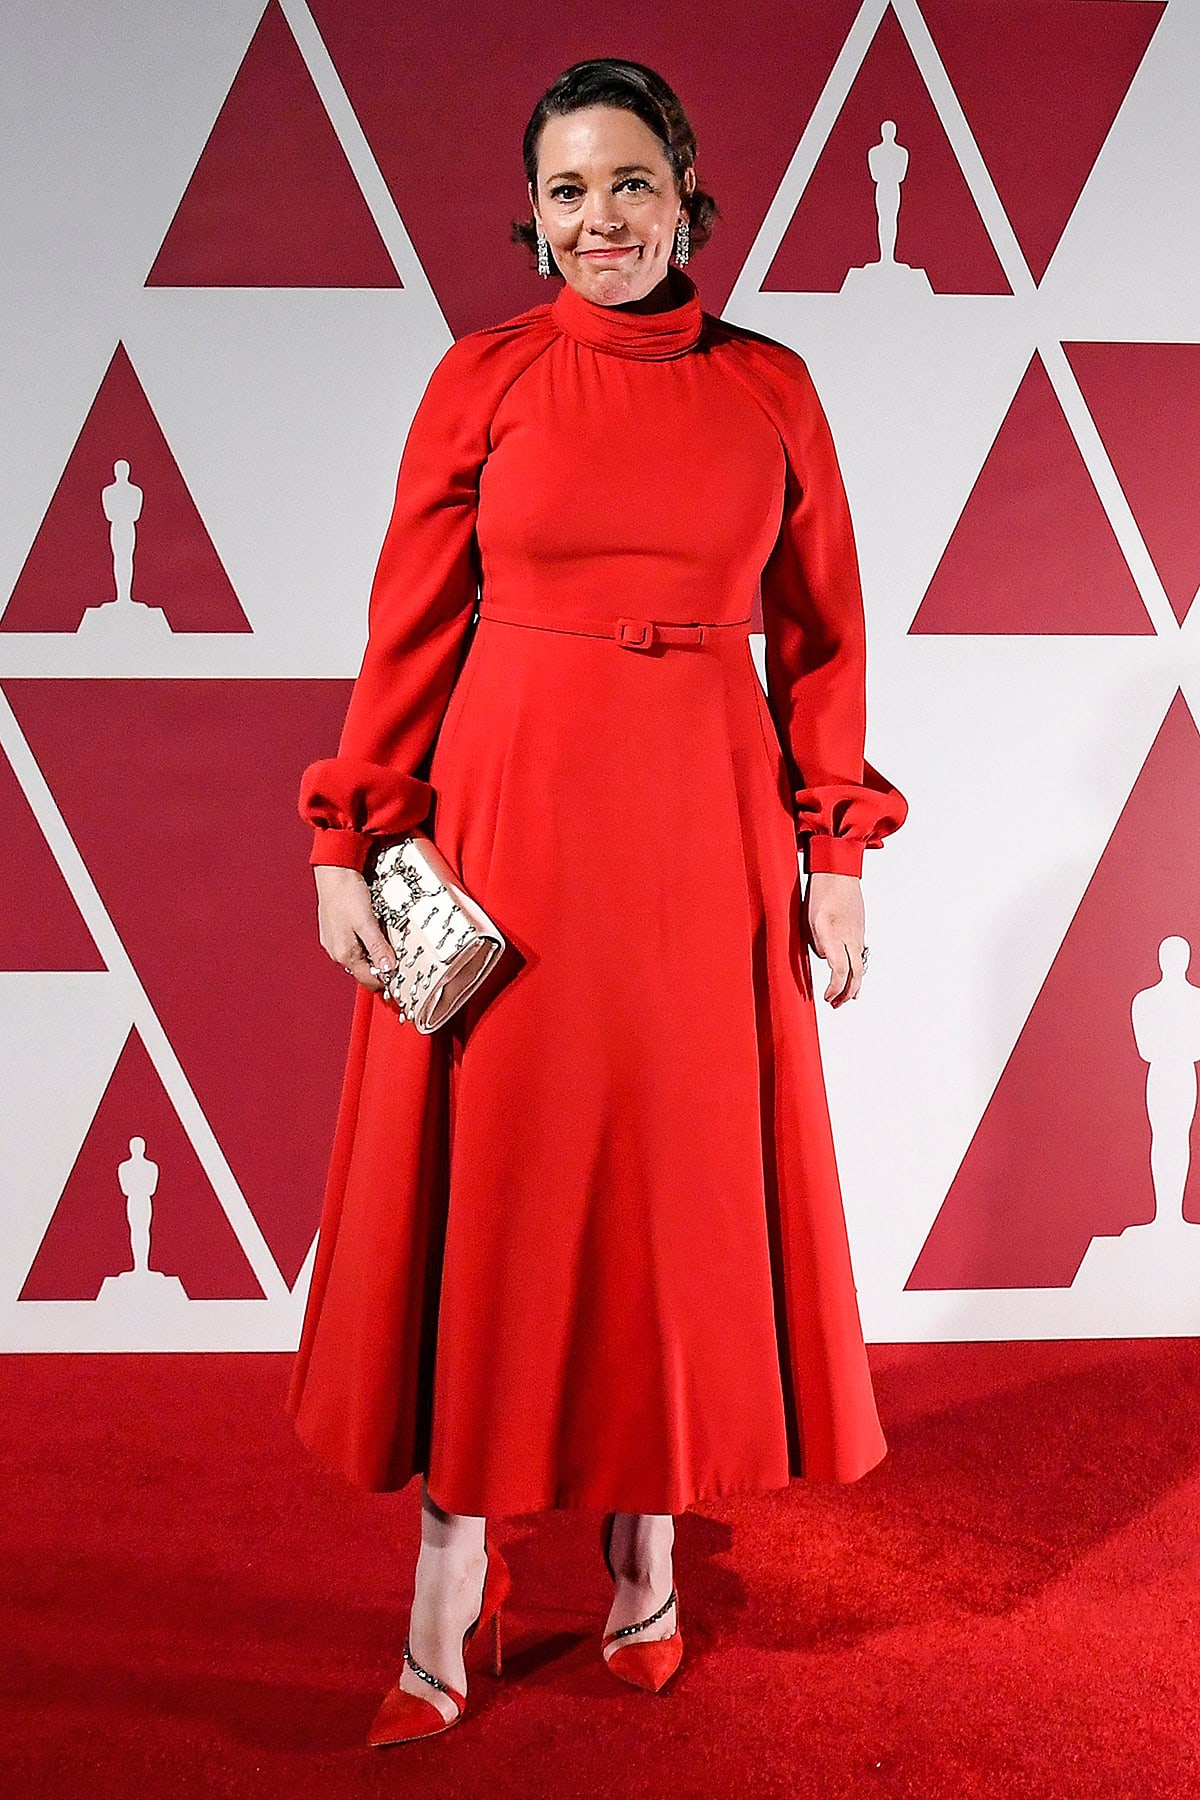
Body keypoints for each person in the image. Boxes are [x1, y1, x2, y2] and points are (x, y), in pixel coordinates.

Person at [289, 57, 907, 1745]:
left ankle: (646, 1559)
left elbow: (825, 639)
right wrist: (350, 837)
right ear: (534, 212)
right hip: (509, 820)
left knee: (668, 1191)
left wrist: (835, 859)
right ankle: (451, 1575)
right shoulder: (481, 378)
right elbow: (410, 624)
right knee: (501, 1188)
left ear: (688, 192)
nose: (601, 218)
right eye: (568, 191)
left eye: (631, 182)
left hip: (704, 832)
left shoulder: (772, 388)